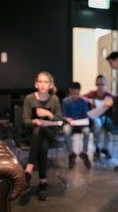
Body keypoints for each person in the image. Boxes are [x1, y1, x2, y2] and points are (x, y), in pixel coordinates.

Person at [20, 71, 63, 202]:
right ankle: (42, 183)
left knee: (41, 132)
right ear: (36, 84)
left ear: (50, 85)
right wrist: (34, 121)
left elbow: (59, 120)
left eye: (46, 82)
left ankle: (29, 169)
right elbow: (24, 120)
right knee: (41, 139)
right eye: (40, 81)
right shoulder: (29, 99)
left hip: (50, 134)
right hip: (34, 136)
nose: (43, 85)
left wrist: (48, 115)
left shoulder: (54, 99)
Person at [83, 74, 114, 159]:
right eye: (98, 84)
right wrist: (90, 100)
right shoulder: (92, 93)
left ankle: (105, 148)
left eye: (102, 84)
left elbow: (115, 99)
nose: (100, 87)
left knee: (107, 125)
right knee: (98, 124)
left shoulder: (109, 95)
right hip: (96, 116)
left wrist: (111, 101)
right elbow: (81, 97)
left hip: (106, 116)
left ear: (105, 84)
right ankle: (97, 147)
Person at [62, 82, 91, 169]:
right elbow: (63, 115)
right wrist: (68, 119)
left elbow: (86, 115)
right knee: (66, 130)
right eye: (74, 93)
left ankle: (84, 153)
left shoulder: (83, 101)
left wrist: (86, 119)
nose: (75, 95)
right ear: (70, 91)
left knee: (87, 131)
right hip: (70, 123)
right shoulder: (66, 101)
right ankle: (71, 153)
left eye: (77, 93)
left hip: (81, 123)